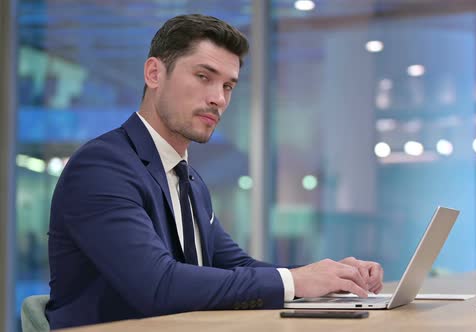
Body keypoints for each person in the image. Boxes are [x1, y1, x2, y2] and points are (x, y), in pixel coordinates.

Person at [46, 13, 383, 329]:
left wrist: (330, 277)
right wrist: (296, 281)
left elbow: (238, 267)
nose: (218, 99)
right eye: (204, 76)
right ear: (154, 74)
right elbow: (156, 285)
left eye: (228, 86)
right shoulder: (103, 166)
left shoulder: (188, 179)